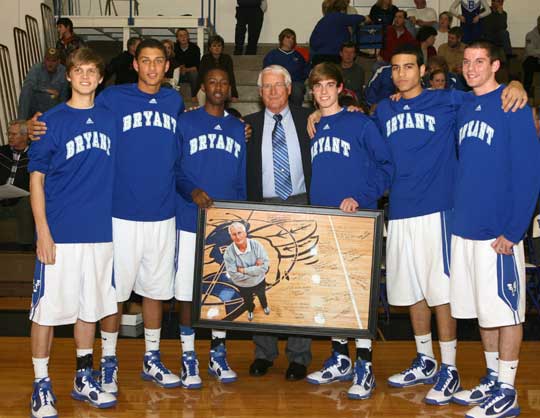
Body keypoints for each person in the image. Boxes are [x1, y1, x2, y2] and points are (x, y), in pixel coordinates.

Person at [370, 44, 528, 406]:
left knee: (444, 294)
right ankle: (428, 361)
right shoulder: (385, 109)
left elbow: (491, 93)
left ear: (423, 70)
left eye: (409, 67)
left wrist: (515, 82)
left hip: (442, 212)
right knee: (415, 292)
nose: (403, 74)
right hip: (408, 212)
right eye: (396, 68)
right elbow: (363, 130)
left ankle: (452, 368)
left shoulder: (449, 100)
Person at [27, 38, 186, 394]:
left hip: (127, 223)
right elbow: (39, 166)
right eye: (145, 60)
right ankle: (73, 373)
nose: (152, 67)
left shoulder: (161, 105)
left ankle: (119, 366)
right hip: (91, 223)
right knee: (73, 306)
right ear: (134, 64)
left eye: (159, 61)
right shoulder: (99, 106)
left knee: (116, 299)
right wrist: (26, 127)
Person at [450, 41, 540, 417]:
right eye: (467, 62)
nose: (472, 68)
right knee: (482, 312)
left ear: (496, 65)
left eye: (480, 62)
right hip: (465, 230)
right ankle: (491, 377)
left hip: (498, 235)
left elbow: (530, 174)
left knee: (506, 313)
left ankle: (508, 389)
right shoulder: (463, 105)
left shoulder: (513, 104)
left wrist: (515, 229)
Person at [28, 47, 117, 418]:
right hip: (60, 233)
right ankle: (41, 384)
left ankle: (83, 376)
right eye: (78, 70)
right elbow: (36, 180)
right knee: (46, 312)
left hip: (99, 233)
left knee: (89, 309)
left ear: (99, 78)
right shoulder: (50, 121)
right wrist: (43, 232)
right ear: (68, 76)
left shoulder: (112, 119)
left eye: (91, 71)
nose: (84, 76)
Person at [305, 62, 394, 401]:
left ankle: (365, 364)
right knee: (332, 292)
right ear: (312, 92)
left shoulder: (360, 122)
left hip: (357, 221)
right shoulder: (313, 126)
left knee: (359, 293)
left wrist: (361, 197)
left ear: (341, 88)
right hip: (324, 222)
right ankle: (340, 358)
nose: (324, 91)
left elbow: (387, 166)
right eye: (318, 86)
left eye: (330, 84)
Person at [174, 67, 247, 388]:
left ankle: (218, 353)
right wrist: (191, 190)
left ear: (230, 89)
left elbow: (243, 178)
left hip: (225, 225)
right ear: (203, 86)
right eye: (212, 81)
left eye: (223, 82)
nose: (217, 86)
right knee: (186, 291)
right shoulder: (185, 122)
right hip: (190, 219)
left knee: (223, 288)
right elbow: (173, 169)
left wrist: (243, 216)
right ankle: (188, 355)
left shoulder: (238, 128)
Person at [243, 65, 312, 381]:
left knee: (298, 284)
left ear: (289, 88)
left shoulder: (310, 118)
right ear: (259, 93)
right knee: (261, 281)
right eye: (266, 87)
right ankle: (264, 353)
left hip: (303, 204)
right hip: (261, 208)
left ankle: (299, 356)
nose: (272, 91)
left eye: (278, 86)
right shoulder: (247, 126)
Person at [223, 222, 270, 321]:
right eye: (234, 234)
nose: (238, 237)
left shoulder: (256, 245)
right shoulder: (228, 252)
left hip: (259, 281)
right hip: (243, 285)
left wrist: (243, 270)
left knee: (262, 296)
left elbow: (264, 267)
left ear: (245, 233)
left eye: (239, 233)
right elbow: (233, 275)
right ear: (231, 236)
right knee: (247, 300)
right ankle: (250, 310)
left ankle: (264, 306)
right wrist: (255, 270)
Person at [0, 120, 33, 247]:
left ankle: (25, 245)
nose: (10, 137)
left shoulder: (34, 154)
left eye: (14, 134)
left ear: (25, 136)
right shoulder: (2, 152)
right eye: (9, 134)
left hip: (23, 195)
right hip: (2, 192)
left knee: (28, 201)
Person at [309, 0, 368, 66]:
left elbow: (313, 42)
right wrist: (365, 18)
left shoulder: (323, 20)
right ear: (343, 9)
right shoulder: (339, 17)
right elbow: (355, 18)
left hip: (318, 57)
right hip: (333, 57)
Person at [17, 48, 69, 120]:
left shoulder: (63, 72)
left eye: (53, 61)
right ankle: (21, 121)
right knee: (26, 91)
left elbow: (64, 97)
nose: (50, 63)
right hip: (37, 106)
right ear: (44, 60)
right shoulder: (36, 69)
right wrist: (46, 90)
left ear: (59, 62)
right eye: (48, 60)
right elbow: (28, 87)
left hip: (54, 107)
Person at [263, 28, 310, 106]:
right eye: (288, 37)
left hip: (295, 83)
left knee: (297, 90)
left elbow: (306, 70)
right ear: (282, 39)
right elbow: (266, 71)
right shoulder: (272, 55)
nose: (290, 40)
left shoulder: (298, 55)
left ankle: (296, 113)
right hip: (277, 83)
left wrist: (300, 79)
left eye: (292, 38)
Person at [198, 35, 239, 104]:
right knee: (202, 93)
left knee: (225, 92)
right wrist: (202, 84)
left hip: (223, 85)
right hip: (209, 85)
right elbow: (201, 74)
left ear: (222, 48)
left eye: (219, 46)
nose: (217, 48)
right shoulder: (205, 58)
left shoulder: (227, 58)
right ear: (210, 48)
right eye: (214, 46)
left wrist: (234, 94)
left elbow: (231, 76)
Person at [173, 28, 200, 103]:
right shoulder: (174, 48)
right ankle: (174, 96)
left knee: (194, 74)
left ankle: (194, 95)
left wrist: (186, 70)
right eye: (180, 36)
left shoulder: (195, 48)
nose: (183, 37)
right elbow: (172, 62)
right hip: (178, 73)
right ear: (177, 38)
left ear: (188, 37)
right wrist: (180, 68)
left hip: (190, 73)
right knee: (175, 72)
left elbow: (197, 66)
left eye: (185, 35)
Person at [522, 16, 540, 97]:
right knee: (530, 62)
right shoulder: (530, 35)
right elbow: (530, 51)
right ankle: (526, 90)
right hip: (532, 61)